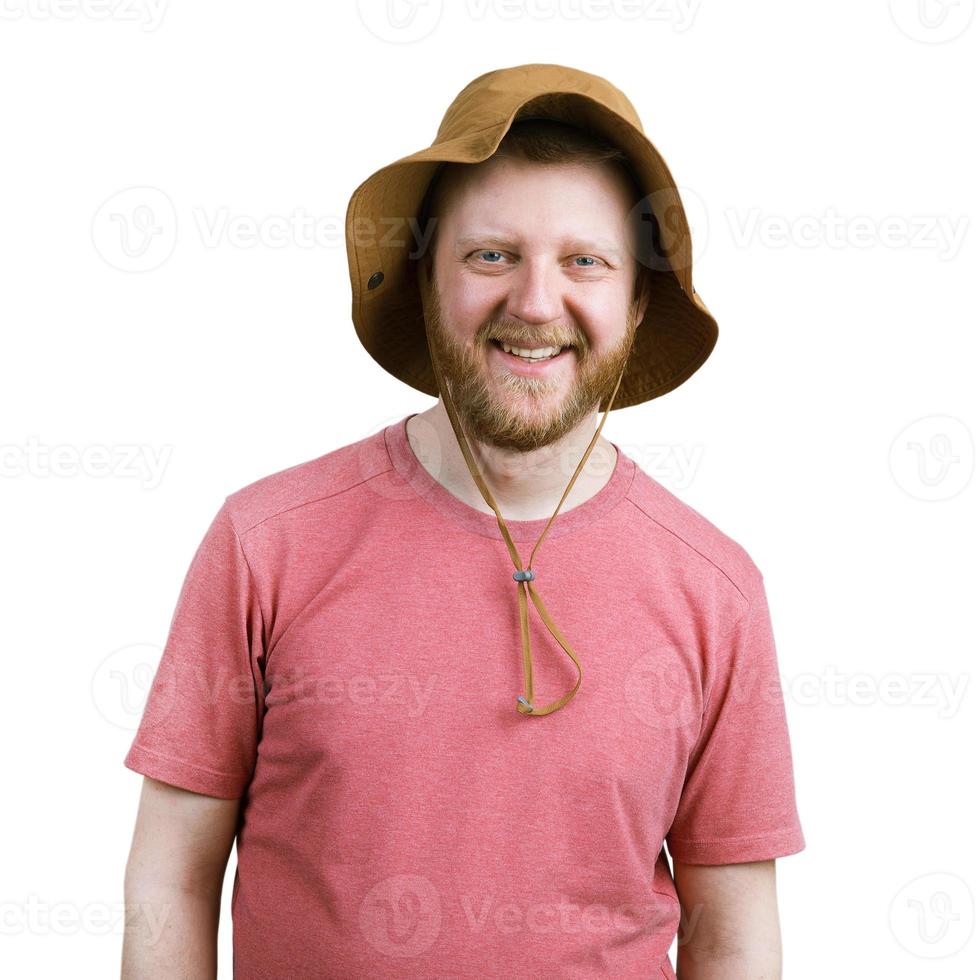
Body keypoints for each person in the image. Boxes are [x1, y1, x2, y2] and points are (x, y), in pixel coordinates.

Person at [122, 63, 805, 979]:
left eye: (584, 261)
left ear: (636, 303)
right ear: (426, 279)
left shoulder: (717, 591)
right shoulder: (266, 544)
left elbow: (736, 934)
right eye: (492, 254)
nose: (533, 303)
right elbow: (171, 874)